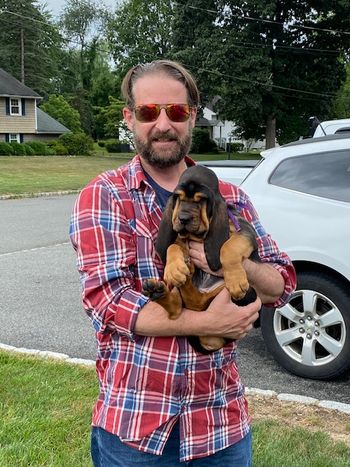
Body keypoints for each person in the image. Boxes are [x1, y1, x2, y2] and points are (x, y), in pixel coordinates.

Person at [70, 59, 296, 466]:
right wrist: (210, 323)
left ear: (192, 116)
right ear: (129, 117)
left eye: (175, 112)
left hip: (219, 425)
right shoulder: (105, 195)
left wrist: (235, 261)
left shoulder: (230, 196)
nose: (162, 124)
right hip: (134, 426)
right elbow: (107, 302)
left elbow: (282, 284)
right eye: (147, 112)